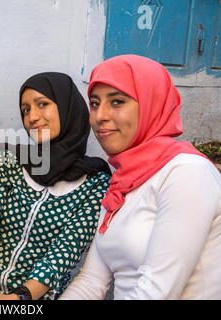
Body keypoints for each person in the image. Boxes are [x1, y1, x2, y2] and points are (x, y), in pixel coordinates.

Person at [59, 54, 221, 300]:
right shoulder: (123, 183)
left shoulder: (187, 173)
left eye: (117, 102)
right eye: (94, 103)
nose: (99, 116)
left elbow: (157, 292)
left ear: (151, 103)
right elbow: (91, 282)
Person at [0, 72, 112, 300]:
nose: (32, 117)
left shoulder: (96, 184)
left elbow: (63, 255)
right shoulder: (10, 160)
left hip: (34, 298)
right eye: (25, 110)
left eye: (42, 104)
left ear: (67, 108)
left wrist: (15, 300)